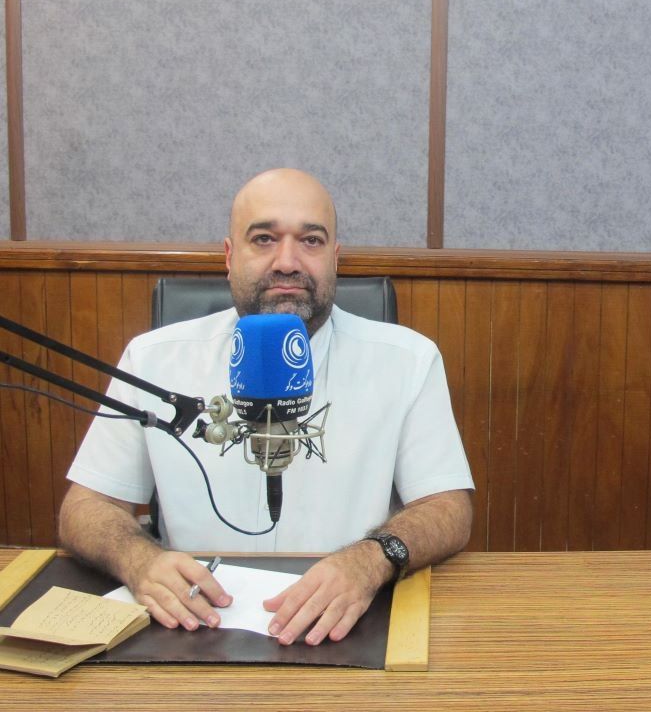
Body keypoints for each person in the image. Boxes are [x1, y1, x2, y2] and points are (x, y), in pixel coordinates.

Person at [58, 168, 473, 647]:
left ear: (335, 258)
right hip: (192, 627)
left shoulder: (408, 359)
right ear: (229, 256)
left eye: (311, 240)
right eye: (264, 239)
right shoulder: (153, 359)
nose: (288, 262)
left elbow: (449, 507)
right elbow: (84, 506)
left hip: (346, 627)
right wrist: (139, 561)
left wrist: (369, 560)